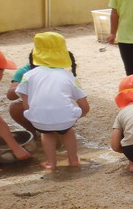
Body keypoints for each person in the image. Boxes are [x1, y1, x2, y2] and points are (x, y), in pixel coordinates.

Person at [15, 32, 90, 171]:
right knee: (68, 131)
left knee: (46, 133)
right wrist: (78, 115)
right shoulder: (68, 76)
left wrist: (31, 114)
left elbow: (25, 102)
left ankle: (51, 163)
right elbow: (84, 105)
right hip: (65, 119)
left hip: (39, 119)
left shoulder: (28, 75)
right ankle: (73, 159)